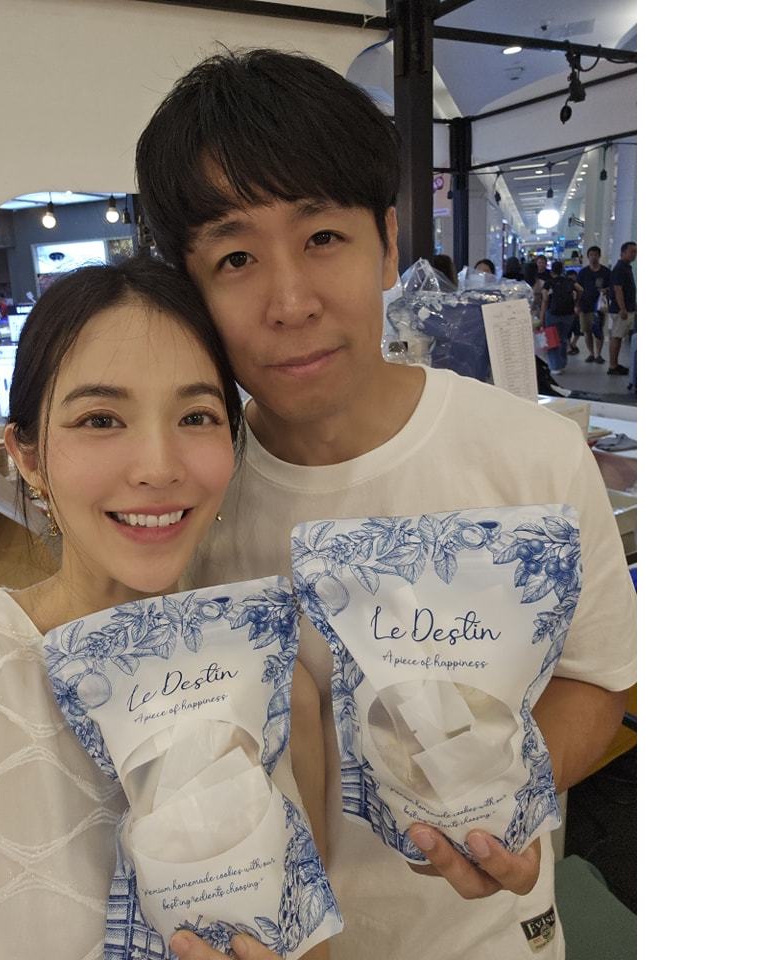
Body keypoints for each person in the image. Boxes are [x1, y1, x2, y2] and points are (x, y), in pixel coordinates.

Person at [136, 48, 635, 960]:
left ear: (389, 242)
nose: (291, 301)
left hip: (483, 938)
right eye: (236, 257)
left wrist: (498, 807)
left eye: (323, 238)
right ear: (190, 287)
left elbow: (599, 677)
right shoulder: (181, 505)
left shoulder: (530, 454)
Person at [0, 259, 328, 960]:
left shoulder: (280, 687)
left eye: (196, 416)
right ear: (28, 457)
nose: (158, 466)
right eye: (101, 419)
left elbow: (309, 944)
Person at [540, 261, 583, 374]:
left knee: (552, 339)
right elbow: (580, 289)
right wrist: (576, 302)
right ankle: (562, 363)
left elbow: (545, 299)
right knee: (563, 338)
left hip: (553, 314)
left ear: (552, 271)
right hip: (568, 314)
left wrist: (542, 316)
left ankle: (555, 366)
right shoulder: (569, 281)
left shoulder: (548, 283)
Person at [576, 245, 613, 364]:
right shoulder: (583, 272)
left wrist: (606, 290)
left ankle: (599, 354)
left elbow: (612, 286)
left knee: (598, 330)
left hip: (599, 306)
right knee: (587, 331)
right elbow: (577, 288)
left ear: (599, 256)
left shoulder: (606, 272)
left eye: (595, 255)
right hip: (585, 306)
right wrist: (577, 304)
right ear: (588, 257)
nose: (593, 257)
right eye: (591, 255)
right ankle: (591, 353)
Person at [607, 241, 637, 376]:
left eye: (635, 252)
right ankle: (613, 366)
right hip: (621, 310)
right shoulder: (620, 268)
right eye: (632, 251)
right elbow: (618, 289)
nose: (634, 254)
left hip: (627, 308)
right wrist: (622, 308)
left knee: (619, 337)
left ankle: (615, 364)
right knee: (617, 336)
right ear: (623, 252)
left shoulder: (626, 267)